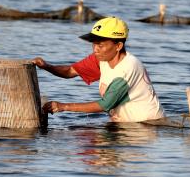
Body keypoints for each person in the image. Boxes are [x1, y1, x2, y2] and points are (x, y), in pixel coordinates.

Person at [32, 16, 164, 122]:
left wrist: (63, 106)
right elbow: (70, 71)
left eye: (100, 45)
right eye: (94, 44)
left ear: (118, 46)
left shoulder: (128, 68)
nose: (95, 50)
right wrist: (46, 66)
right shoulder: (102, 59)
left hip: (146, 127)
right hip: (125, 124)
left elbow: (105, 105)